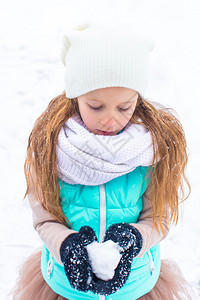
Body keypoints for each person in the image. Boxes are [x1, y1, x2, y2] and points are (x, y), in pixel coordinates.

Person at [11, 21, 197, 299]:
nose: (110, 119)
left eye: (125, 107)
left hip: (135, 286)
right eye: (95, 106)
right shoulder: (52, 146)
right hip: (65, 286)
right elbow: (44, 219)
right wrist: (65, 245)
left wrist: (135, 240)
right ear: (75, 98)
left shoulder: (152, 149)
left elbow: (158, 217)